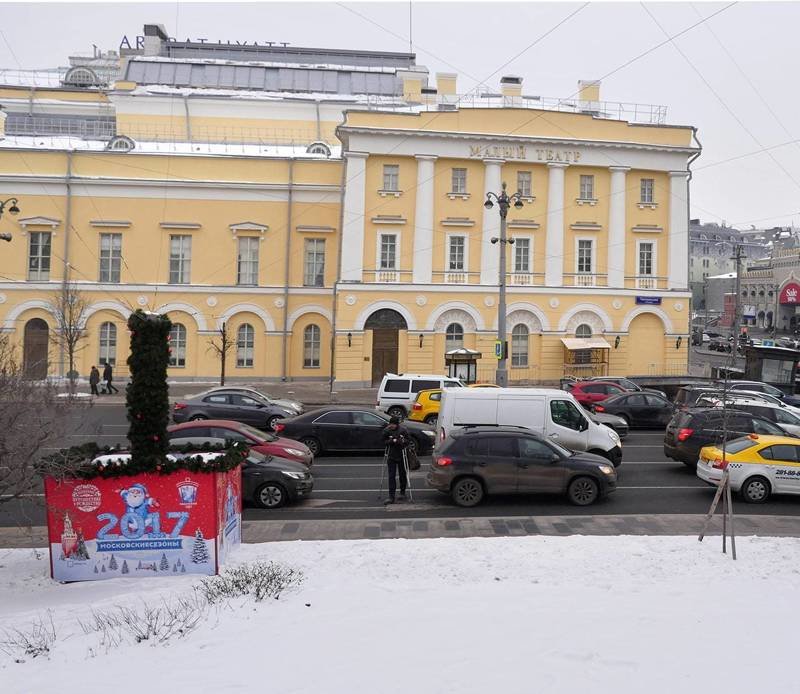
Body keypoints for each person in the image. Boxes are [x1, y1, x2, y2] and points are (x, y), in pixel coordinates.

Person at [381, 416, 410, 504]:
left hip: (401, 455)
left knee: (402, 475)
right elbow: (383, 441)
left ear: (397, 424)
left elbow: (408, 441)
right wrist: (391, 441)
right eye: (391, 424)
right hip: (391, 456)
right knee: (391, 476)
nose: (392, 426)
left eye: (394, 424)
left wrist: (401, 441)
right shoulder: (387, 430)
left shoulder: (403, 430)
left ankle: (402, 492)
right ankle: (391, 497)